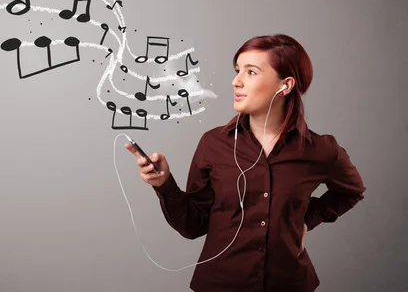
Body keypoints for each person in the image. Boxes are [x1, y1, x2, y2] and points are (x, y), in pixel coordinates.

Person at [124, 34, 366, 292]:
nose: (236, 81)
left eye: (251, 72)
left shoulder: (320, 150)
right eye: (238, 70)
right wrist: (164, 185)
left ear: (284, 86)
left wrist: (307, 221)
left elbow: (351, 192)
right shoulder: (213, 144)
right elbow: (193, 226)